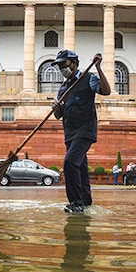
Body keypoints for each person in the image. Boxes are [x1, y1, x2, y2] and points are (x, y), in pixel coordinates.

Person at [51, 49, 111, 213]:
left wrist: (99, 68)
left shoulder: (88, 78)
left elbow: (106, 91)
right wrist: (56, 108)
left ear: (73, 63)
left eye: (63, 64)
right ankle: (85, 199)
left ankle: (76, 203)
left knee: (70, 162)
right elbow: (58, 115)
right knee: (80, 167)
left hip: (85, 130)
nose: (61, 68)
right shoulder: (63, 88)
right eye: (59, 65)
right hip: (69, 133)